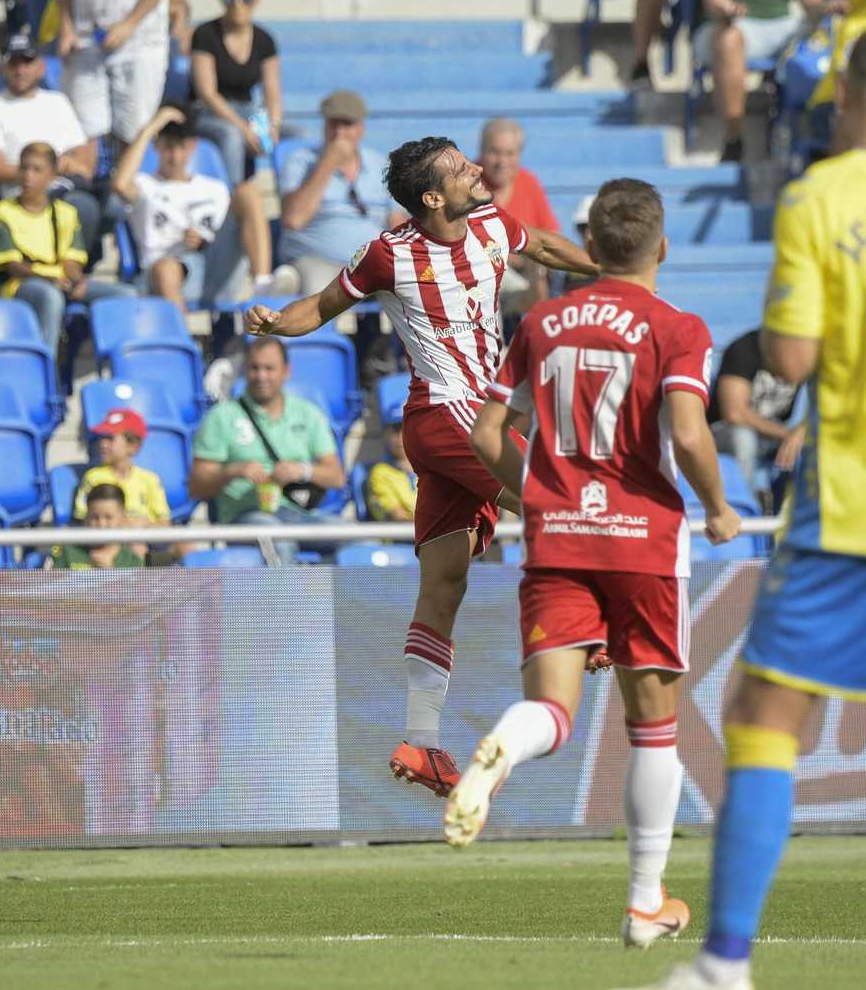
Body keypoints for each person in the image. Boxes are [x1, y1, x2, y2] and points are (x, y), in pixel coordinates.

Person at [653, 23, 866, 990]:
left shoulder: (821, 194)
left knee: (764, 711)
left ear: (846, 100)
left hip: (854, 502)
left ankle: (726, 960)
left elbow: (794, 359)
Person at [243, 136, 599, 797]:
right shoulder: (391, 253)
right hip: (445, 414)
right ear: (433, 197)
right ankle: (588, 621)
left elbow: (547, 246)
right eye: (462, 168)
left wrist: (604, 268)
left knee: (445, 581)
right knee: (555, 500)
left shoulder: (492, 223)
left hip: (470, 423)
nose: (478, 169)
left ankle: (422, 740)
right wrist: (273, 323)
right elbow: (320, 307)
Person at [449, 178, 741, 950]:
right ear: (662, 246)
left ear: (592, 247)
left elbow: (485, 435)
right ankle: (645, 901)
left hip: (558, 538)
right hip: (643, 542)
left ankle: (504, 745)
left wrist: (536, 496)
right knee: (653, 727)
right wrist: (716, 505)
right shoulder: (675, 326)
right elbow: (688, 428)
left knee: (553, 709)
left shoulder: (540, 322)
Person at [112, 104, 287, 312]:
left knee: (247, 192)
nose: (175, 156)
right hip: (164, 273)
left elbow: (223, 236)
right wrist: (151, 128)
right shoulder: (145, 185)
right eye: (169, 146)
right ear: (156, 145)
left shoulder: (215, 188)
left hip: (213, 267)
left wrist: (202, 242)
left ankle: (262, 284)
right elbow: (119, 185)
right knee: (167, 269)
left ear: (193, 146)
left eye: (182, 147)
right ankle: (182, 341)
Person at [189, 336, 347, 564]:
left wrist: (302, 470)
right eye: (254, 368)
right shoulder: (221, 417)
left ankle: (321, 598)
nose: (261, 376)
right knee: (278, 541)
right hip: (245, 518)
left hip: (300, 515)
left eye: (269, 368)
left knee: (359, 539)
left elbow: (336, 476)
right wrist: (233, 471)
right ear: (245, 371)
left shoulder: (308, 413)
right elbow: (197, 486)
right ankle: (293, 600)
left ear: (286, 371)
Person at [696, 0, 831, 161]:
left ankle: (820, 134)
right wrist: (727, 9)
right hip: (737, 26)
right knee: (728, 38)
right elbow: (716, 1)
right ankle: (734, 137)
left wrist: (829, 7)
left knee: (831, 37)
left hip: (785, 24)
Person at [0, 141, 136, 344]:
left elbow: (71, 262)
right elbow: (13, 267)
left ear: (52, 177)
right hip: (22, 285)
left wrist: (78, 281)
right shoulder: (3, 212)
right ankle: (46, 366)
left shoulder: (66, 213)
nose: (28, 175)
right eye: (24, 168)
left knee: (126, 294)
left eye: (37, 170)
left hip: (60, 282)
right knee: (50, 296)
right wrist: (49, 279)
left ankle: (117, 359)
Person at [0, 33, 104, 257]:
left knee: (118, 206)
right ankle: (68, 275)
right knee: (83, 207)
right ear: (2, 68)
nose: (20, 70)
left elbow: (85, 160)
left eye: (27, 62)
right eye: (13, 63)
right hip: (26, 195)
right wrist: (44, 171)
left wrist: (71, 165)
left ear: (40, 67)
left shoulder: (57, 102)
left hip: (68, 185)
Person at [56, 0, 178, 151]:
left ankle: (122, 186)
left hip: (142, 39)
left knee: (134, 136)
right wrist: (66, 26)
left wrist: (130, 23)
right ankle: (82, 187)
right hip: (86, 40)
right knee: (79, 135)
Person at [277, 90, 406, 294]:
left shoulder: (380, 165)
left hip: (372, 264)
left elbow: (397, 225)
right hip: (318, 262)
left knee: (409, 289)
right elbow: (294, 219)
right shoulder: (301, 161)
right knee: (316, 293)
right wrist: (328, 162)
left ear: (361, 128)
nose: (339, 133)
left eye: (347, 125)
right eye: (333, 124)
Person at [189, 0, 282, 185]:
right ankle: (235, 205)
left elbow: (273, 92)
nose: (238, 4)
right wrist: (242, 128)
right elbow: (207, 94)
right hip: (208, 113)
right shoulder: (205, 34)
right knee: (232, 135)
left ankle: (294, 211)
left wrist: (273, 125)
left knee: (298, 136)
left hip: (247, 112)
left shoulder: (265, 39)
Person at [477, 116, 560, 317]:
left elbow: (552, 233)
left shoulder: (529, 182)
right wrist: (517, 259)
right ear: (481, 149)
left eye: (509, 154)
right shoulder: (467, 182)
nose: (502, 162)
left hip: (527, 277)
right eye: (494, 152)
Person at [708, 328, 801, 497]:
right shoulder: (745, 347)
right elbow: (734, 413)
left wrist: (801, 432)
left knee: (806, 445)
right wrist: (789, 434)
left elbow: (831, 406)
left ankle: (788, 510)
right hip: (722, 432)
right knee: (744, 438)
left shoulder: (804, 352)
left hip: (771, 436)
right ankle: (746, 512)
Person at [73, 409, 173, 564]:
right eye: (102, 438)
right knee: (136, 547)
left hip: (150, 538)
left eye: (110, 438)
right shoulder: (94, 477)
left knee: (185, 546)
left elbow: (165, 523)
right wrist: (128, 528)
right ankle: (139, 588)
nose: (103, 444)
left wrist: (144, 525)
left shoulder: (149, 479)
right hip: (112, 540)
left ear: (133, 446)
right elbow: (84, 518)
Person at [46, 483, 147, 568]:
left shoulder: (133, 561)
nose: (101, 524)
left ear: (123, 519)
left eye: (108, 517)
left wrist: (113, 573)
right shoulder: (66, 551)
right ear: (85, 519)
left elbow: (138, 591)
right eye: (94, 517)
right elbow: (49, 589)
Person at [365, 391, 417, 522]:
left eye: (406, 428)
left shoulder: (436, 469)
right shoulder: (380, 472)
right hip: (402, 540)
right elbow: (398, 519)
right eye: (395, 429)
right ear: (385, 434)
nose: (401, 436)